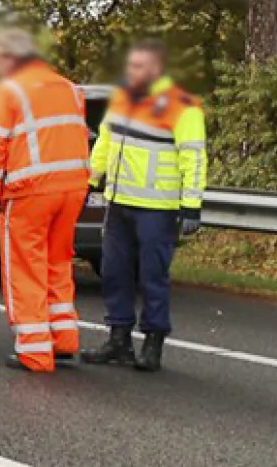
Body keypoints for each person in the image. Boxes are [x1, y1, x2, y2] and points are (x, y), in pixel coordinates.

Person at [83, 38, 207, 372]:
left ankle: (153, 341)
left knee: (152, 277)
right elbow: (105, 142)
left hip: (158, 207)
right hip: (119, 203)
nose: (131, 71)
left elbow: (193, 157)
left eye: (138, 66)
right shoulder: (122, 99)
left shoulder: (183, 106)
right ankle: (118, 339)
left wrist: (191, 205)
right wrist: (91, 180)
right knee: (114, 273)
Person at [0, 28, 91, 373]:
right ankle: (63, 341)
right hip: (72, 188)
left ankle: (34, 351)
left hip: (29, 191)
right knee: (57, 262)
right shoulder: (70, 89)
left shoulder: (8, 92)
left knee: (25, 269)